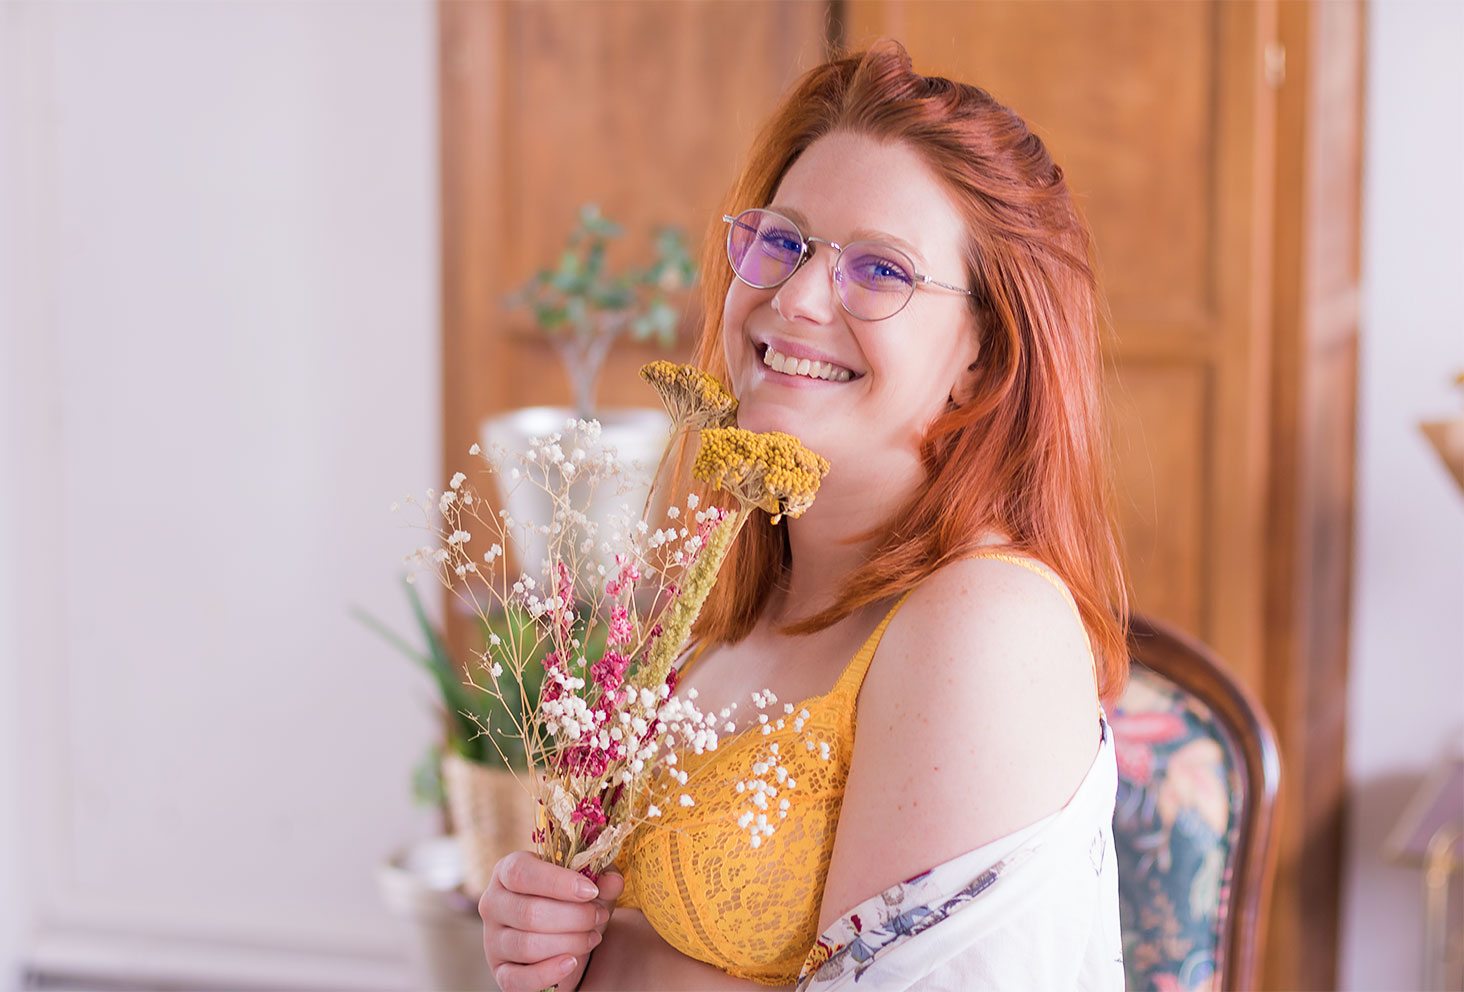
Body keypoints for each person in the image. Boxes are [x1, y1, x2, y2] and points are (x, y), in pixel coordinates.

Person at [480, 40, 1129, 991]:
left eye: (881, 270)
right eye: (782, 242)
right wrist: (541, 922)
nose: (795, 296)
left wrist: (614, 965)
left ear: (981, 362)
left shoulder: (987, 625)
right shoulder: (727, 619)